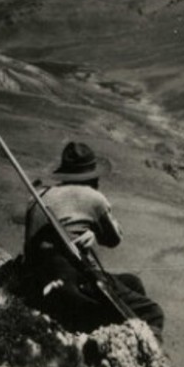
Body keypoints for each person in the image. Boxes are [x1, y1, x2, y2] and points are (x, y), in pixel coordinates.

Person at [21, 141, 165, 340]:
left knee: (132, 283)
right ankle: (145, 359)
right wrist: (96, 234)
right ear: (91, 176)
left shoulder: (39, 196)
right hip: (75, 282)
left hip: (37, 280)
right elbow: (114, 239)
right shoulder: (93, 198)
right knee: (152, 313)